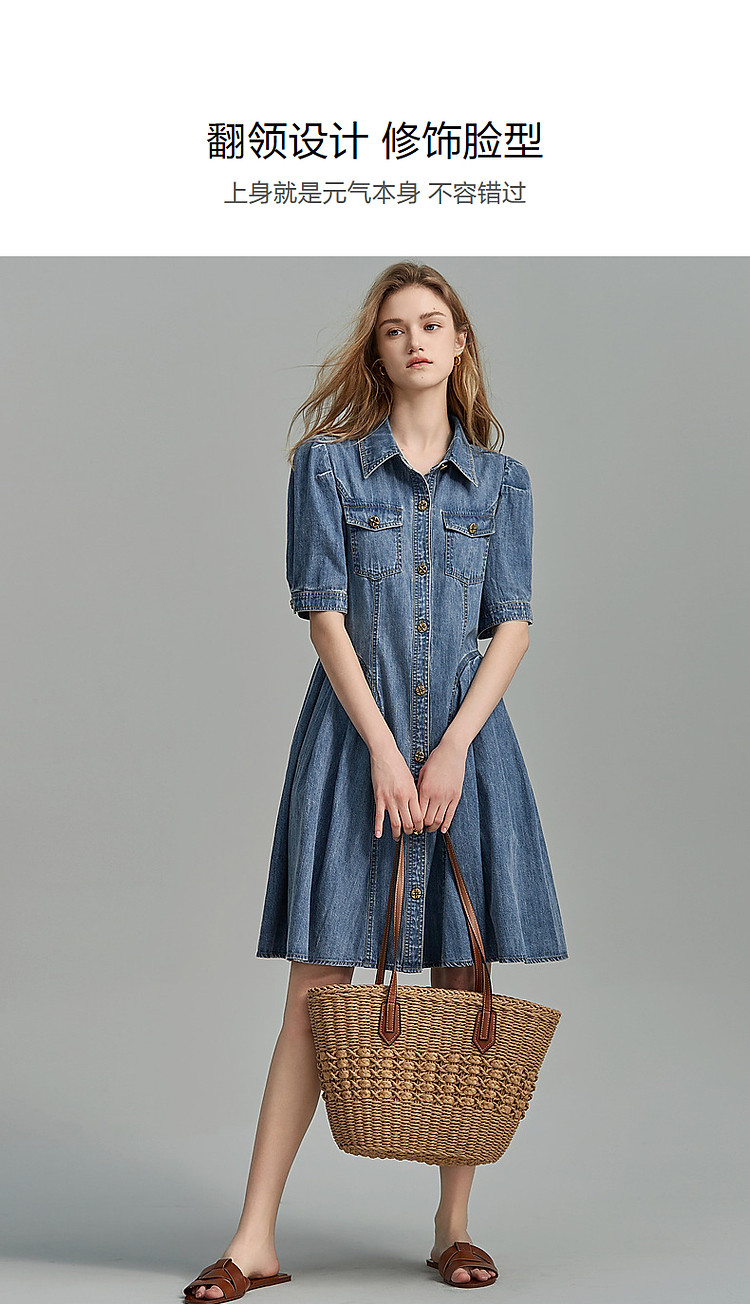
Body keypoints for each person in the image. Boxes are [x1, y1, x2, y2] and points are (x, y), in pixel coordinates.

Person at [183, 262, 568, 1300]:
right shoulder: (328, 469)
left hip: (469, 752)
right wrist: (388, 751)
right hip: (354, 746)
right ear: (377, 350)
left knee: (464, 984)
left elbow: (513, 624)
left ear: (460, 342)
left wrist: (450, 748)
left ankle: (454, 1226)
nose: (416, 341)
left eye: (433, 323)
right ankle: (253, 1238)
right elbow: (324, 615)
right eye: (396, 328)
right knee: (316, 992)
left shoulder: (504, 482)